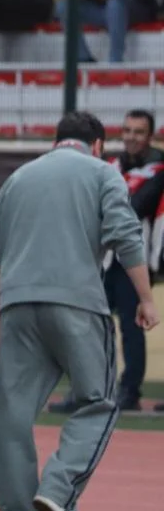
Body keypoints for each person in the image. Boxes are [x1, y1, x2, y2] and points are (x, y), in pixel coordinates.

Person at [0, 110, 159, 511]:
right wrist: (145, 298)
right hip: (78, 301)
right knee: (99, 400)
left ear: (56, 140)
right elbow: (127, 236)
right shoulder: (103, 173)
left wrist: (22, 291)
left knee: (13, 415)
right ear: (97, 145)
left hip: (17, 303)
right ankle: (59, 489)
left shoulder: (18, 178)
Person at [52, 109, 164, 414]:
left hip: (133, 259)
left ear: (150, 136)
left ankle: (129, 392)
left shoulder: (158, 169)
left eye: (138, 132)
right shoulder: (110, 165)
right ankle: (87, 390)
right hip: (101, 257)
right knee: (90, 326)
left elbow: (134, 206)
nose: (131, 137)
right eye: (127, 130)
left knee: (131, 327)